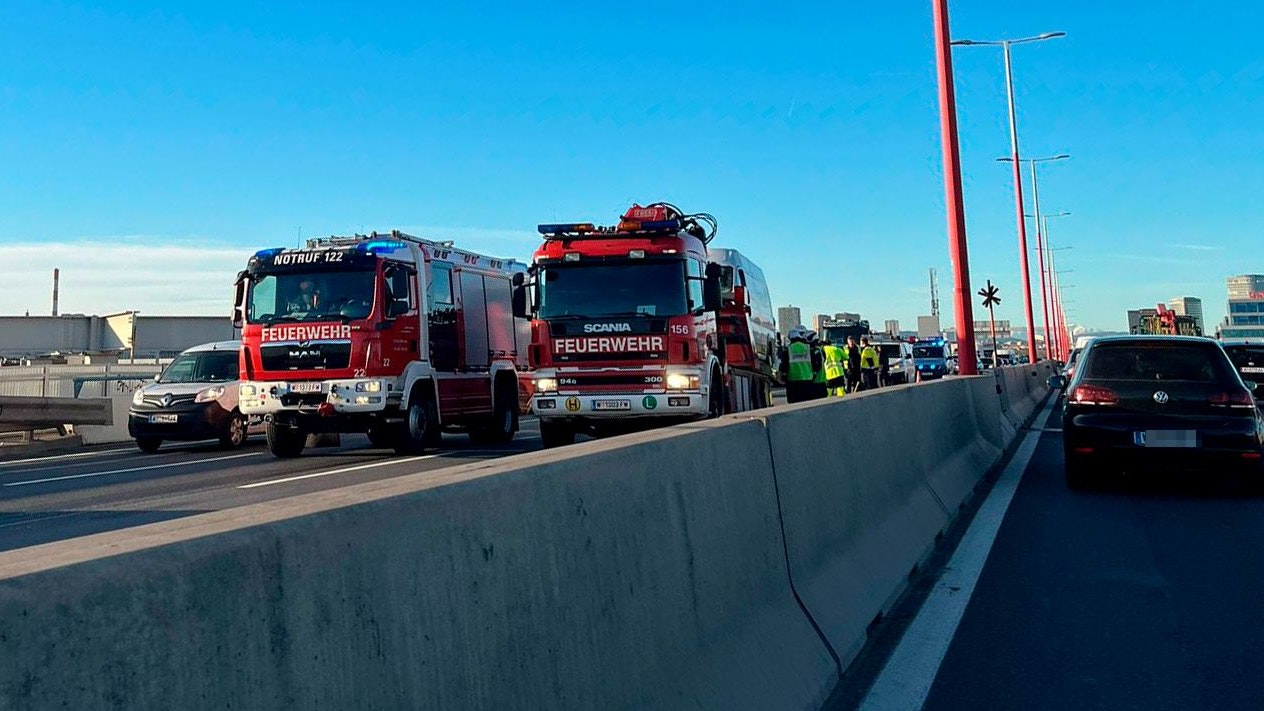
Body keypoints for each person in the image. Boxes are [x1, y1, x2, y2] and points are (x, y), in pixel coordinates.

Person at [780, 327, 824, 403]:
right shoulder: (808, 348)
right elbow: (815, 363)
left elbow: (784, 365)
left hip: (793, 380)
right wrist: (814, 373)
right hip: (808, 379)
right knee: (808, 403)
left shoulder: (788, 349)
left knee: (794, 403)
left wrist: (783, 376)